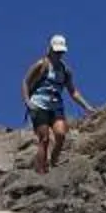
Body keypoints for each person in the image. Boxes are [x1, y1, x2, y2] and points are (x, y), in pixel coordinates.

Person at [21, 34, 94, 171]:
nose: (59, 54)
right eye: (56, 51)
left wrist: (87, 107)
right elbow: (25, 82)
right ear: (50, 49)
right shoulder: (41, 65)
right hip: (39, 105)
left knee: (60, 134)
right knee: (44, 139)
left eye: (61, 52)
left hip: (56, 107)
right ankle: (40, 173)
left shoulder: (65, 70)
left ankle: (53, 162)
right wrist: (27, 102)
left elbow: (73, 91)